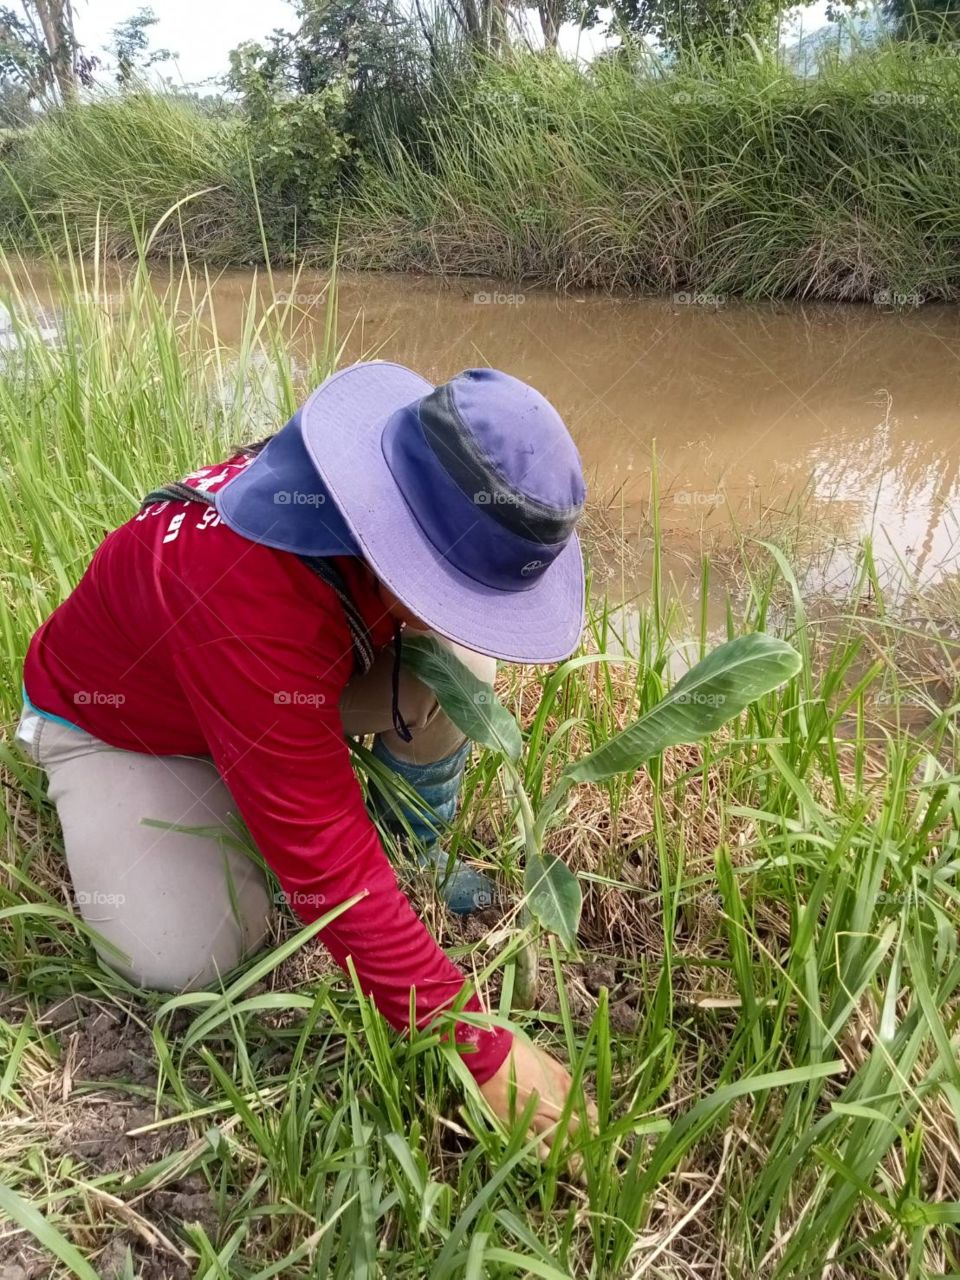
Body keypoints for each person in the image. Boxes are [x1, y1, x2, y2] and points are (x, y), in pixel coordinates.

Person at [18, 362, 587, 1147]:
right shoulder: (240, 590)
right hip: (125, 726)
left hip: (270, 681)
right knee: (180, 956)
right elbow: (325, 862)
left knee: (460, 665)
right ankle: (229, 804)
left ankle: (407, 850)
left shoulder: (382, 474)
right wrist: (480, 1049)